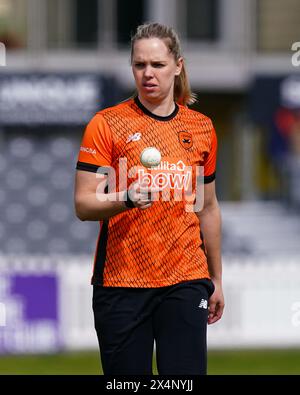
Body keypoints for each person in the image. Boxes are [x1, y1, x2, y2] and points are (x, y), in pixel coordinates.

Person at [74, 22, 224, 375]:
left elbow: (209, 207)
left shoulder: (201, 128)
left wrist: (216, 278)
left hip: (186, 278)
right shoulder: (107, 123)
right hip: (122, 281)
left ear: (178, 66)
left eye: (157, 65)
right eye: (140, 65)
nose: (148, 73)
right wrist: (124, 198)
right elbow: (83, 204)